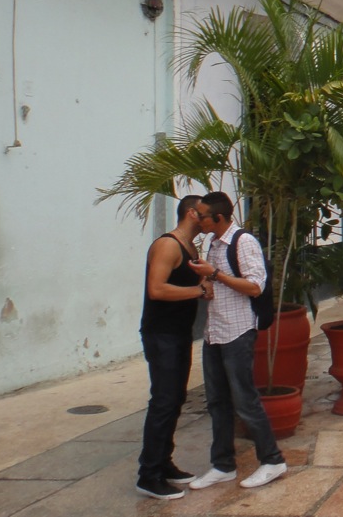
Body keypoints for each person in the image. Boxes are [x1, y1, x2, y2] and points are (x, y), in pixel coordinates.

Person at [187, 192, 287, 490]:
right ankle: (223, 465)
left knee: (245, 401)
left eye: (201, 215)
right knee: (217, 401)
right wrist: (205, 281)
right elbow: (217, 286)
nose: (197, 219)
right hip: (215, 331)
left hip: (238, 332)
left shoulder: (243, 242)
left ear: (218, 218)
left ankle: (272, 460)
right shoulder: (214, 243)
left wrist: (215, 274)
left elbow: (256, 286)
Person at [136, 195, 213, 500]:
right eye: (207, 213)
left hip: (179, 333)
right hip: (162, 334)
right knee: (164, 401)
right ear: (193, 213)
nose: (210, 218)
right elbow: (156, 289)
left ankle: (163, 462)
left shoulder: (190, 247)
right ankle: (148, 474)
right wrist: (198, 290)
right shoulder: (168, 245)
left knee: (175, 398)